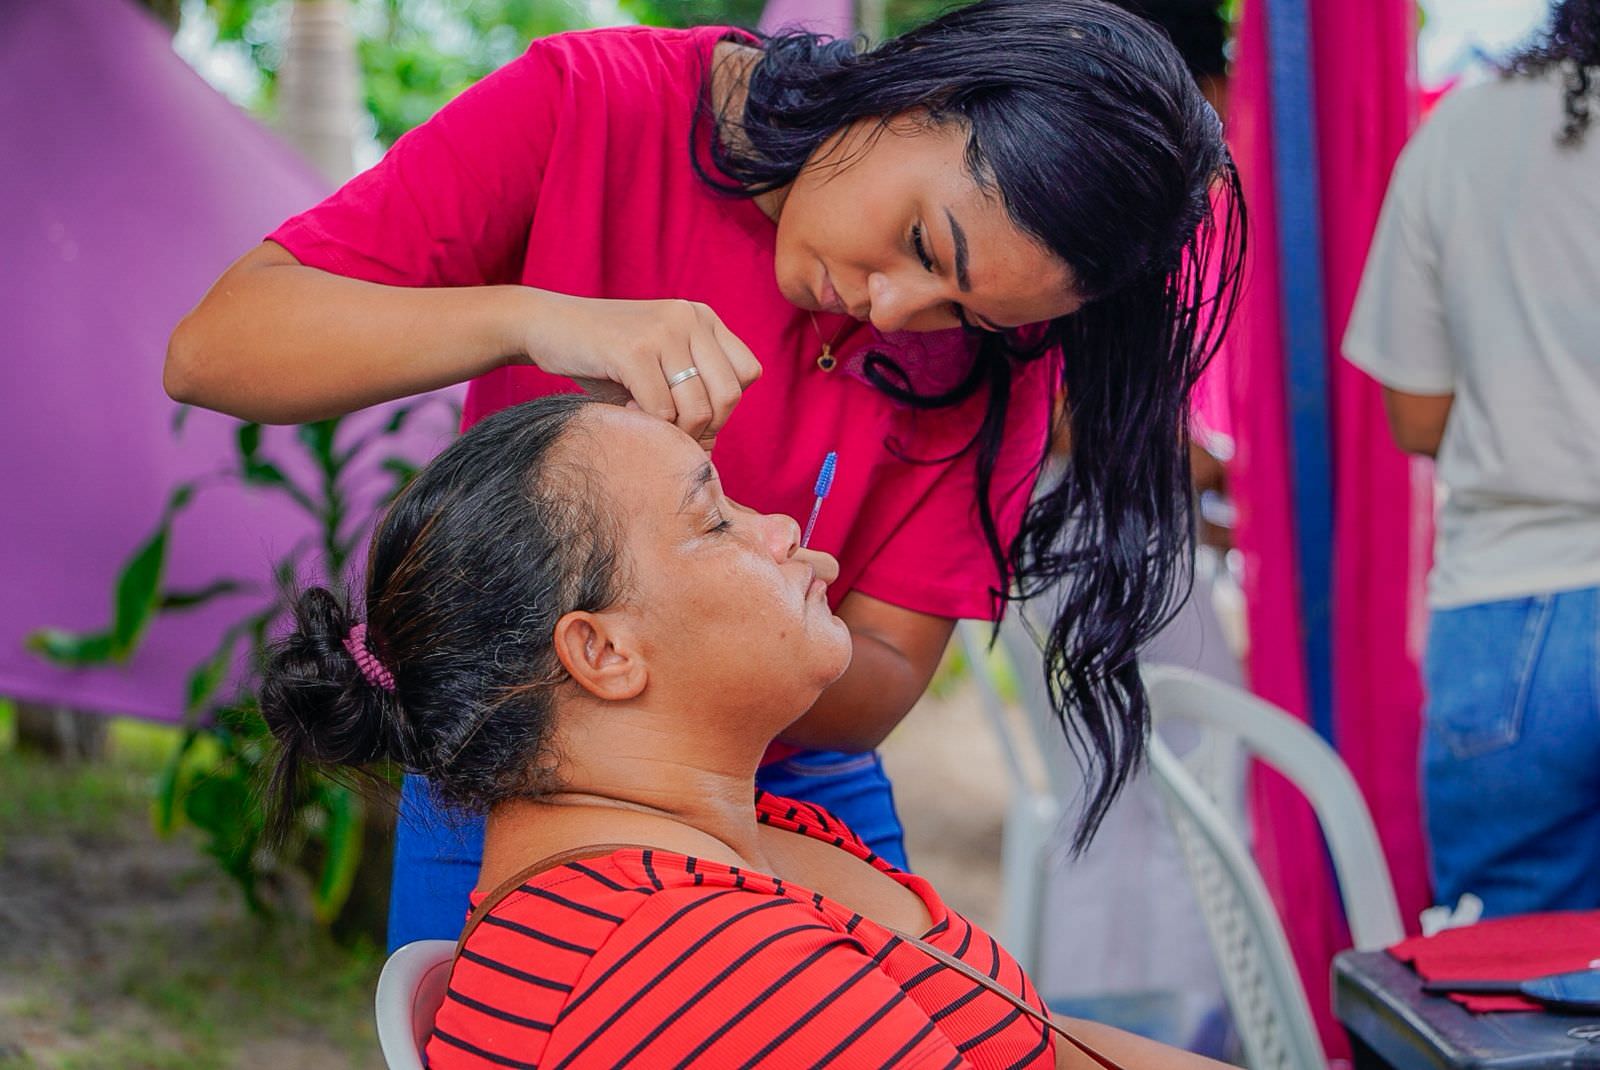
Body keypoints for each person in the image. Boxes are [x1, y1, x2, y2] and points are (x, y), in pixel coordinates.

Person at [168, 0, 1244, 949]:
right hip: (518, 761)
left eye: (964, 312)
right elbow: (216, 350)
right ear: (914, 93)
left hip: (795, 792)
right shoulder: (596, 106)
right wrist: (533, 319)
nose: (894, 312)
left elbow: (877, 680)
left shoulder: (1008, 353)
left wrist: (716, 616)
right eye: (922, 242)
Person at [260, 394, 1230, 1069]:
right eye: (716, 520)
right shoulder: (686, 966)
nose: (782, 527)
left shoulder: (740, 847)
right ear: (602, 651)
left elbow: (1039, 1041)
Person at [1344, 0, 1600, 916]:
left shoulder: (1461, 132)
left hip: (1507, 615)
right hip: (1508, 605)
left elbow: (1416, 418)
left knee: (1506, 981)